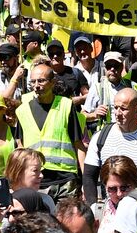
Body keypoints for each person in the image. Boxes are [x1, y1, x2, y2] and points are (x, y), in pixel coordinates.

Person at [16, 62, 88, 197]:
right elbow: (20, 147)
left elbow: (78, 145)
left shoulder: (66, 105)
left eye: (41, 81)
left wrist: (85, 182)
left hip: (65, 179)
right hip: (36, 181)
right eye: (33, 82)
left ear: (53, 82)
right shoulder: (22, 110)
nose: (36, 85)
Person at [82, 87, 137, 203]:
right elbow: (89, 176)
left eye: (123, 109)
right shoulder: (100, 137)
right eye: (115, 108)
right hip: (112, 210)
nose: (118, 113)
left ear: (136, 110)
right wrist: (93, 207)